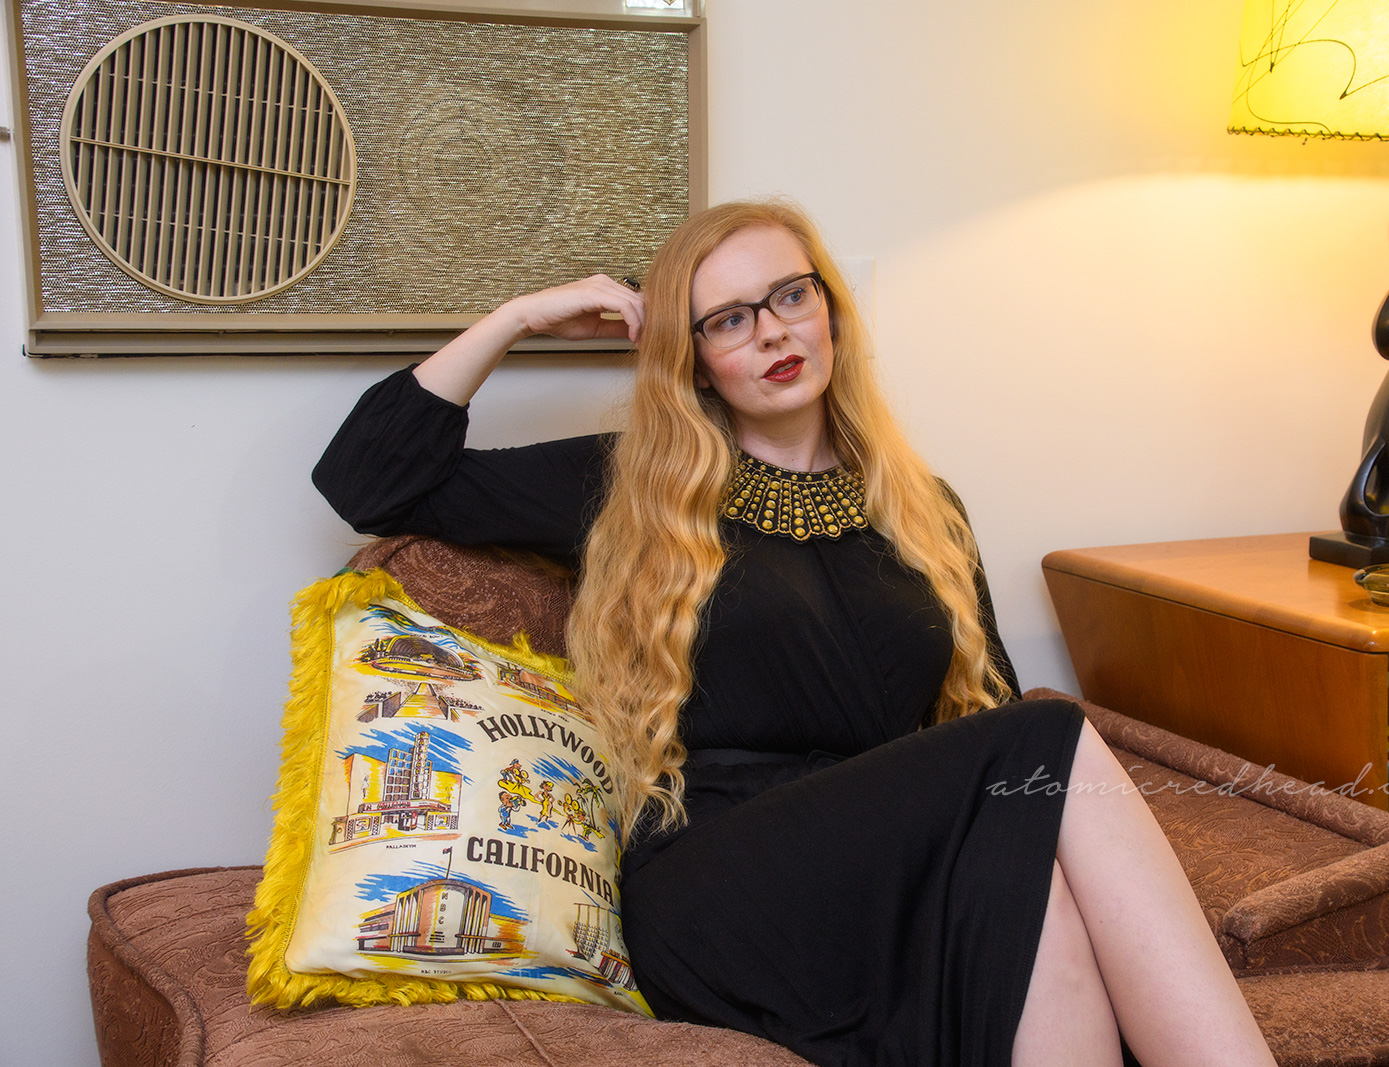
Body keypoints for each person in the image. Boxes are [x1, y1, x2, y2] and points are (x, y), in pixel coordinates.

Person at [314, 200, 1275, 1067]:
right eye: (730, 318)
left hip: (888, 871)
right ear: (692, 356)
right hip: (718, 882)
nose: (772, 330)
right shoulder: (629, 484)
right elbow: (367, 479)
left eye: (789, 296)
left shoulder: (925, 506)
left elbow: (983, 715)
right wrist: (520, 318)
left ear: (831, 309)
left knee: (1039, 892)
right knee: (1047, 734)